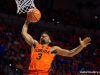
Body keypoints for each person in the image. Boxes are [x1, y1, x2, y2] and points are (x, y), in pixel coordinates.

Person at [21, 20, 91, 75]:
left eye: (45, 36)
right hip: (31, 73)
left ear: (50, 40)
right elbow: (24, 33)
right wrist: (27, 21)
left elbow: (70, 53)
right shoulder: (35, 44)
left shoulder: (53, 49)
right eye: (42, 36)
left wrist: (81, 46)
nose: (43, 36)